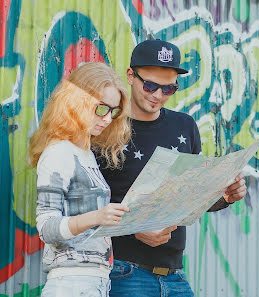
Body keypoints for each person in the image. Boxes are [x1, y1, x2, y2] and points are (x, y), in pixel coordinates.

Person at [97, 39, 247, 297]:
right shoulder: (105, 129)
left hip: (175, 274)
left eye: (168, 89)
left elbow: (191, 197)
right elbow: (85, 208)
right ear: (131, 76)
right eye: (151, 85)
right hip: (124, 272)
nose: (158, 96)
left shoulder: (185, 126)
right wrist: (134, 231)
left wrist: (224, 196)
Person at [28, 62, 132, 297]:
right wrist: (98, 216)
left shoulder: (84, 153)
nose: (107, 118)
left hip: (95, 281)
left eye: (113, 111)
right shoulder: (59, 152)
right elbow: (47, 228)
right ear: (78, 101)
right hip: (71, 282)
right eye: (101, 108)